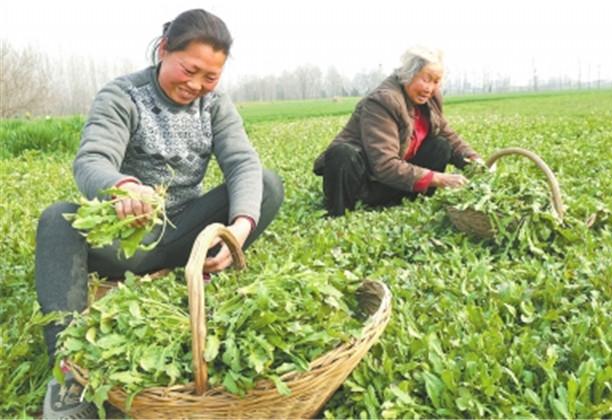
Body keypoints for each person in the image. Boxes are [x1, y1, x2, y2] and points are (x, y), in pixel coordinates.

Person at [36, 9, 284, 418]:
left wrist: (238, 229)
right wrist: (125, 188)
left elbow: (242, 163)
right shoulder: (123, 95)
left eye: (210, 77)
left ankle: (203, 268)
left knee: (268, 184)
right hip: (130, 234)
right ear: (164, 49)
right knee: (58, 219)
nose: (195, 85)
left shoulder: (214, 105)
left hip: (189, 231)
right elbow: (93, 159)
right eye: (189, 70)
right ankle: (70, 370)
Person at [313, 46, 482, 216]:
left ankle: (408, 201)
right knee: (342, 153)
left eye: (436, 81)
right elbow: (384, 164)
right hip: (365, 182)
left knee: (441, 145)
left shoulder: (430, 99)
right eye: (426, 79)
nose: (429, 88)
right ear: (409, 74)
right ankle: (341, 210)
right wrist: (438, 178)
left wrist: (474, 161)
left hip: (394, 183)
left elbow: (447, 134)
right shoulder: (383, 101)